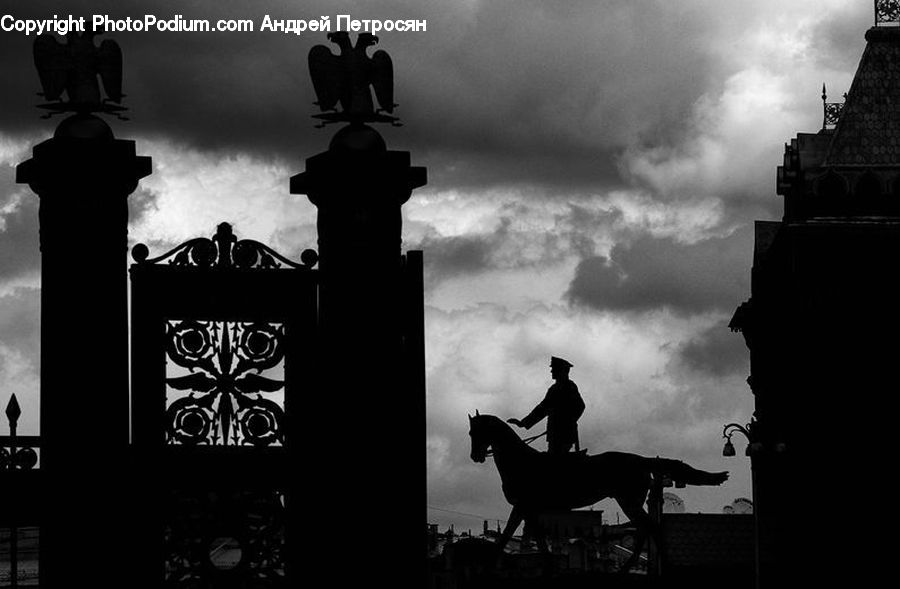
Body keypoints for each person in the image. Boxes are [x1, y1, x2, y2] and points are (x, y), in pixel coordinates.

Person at [508, 356, 585, 455]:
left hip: (564, 434)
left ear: (561, 371)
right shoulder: (554, 389)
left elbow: (580, 406)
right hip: (554, 434)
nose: (551, 372)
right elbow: (542, 409)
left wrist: (567, 422)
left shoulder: (569, 387)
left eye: (554, 369)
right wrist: (523, 423)